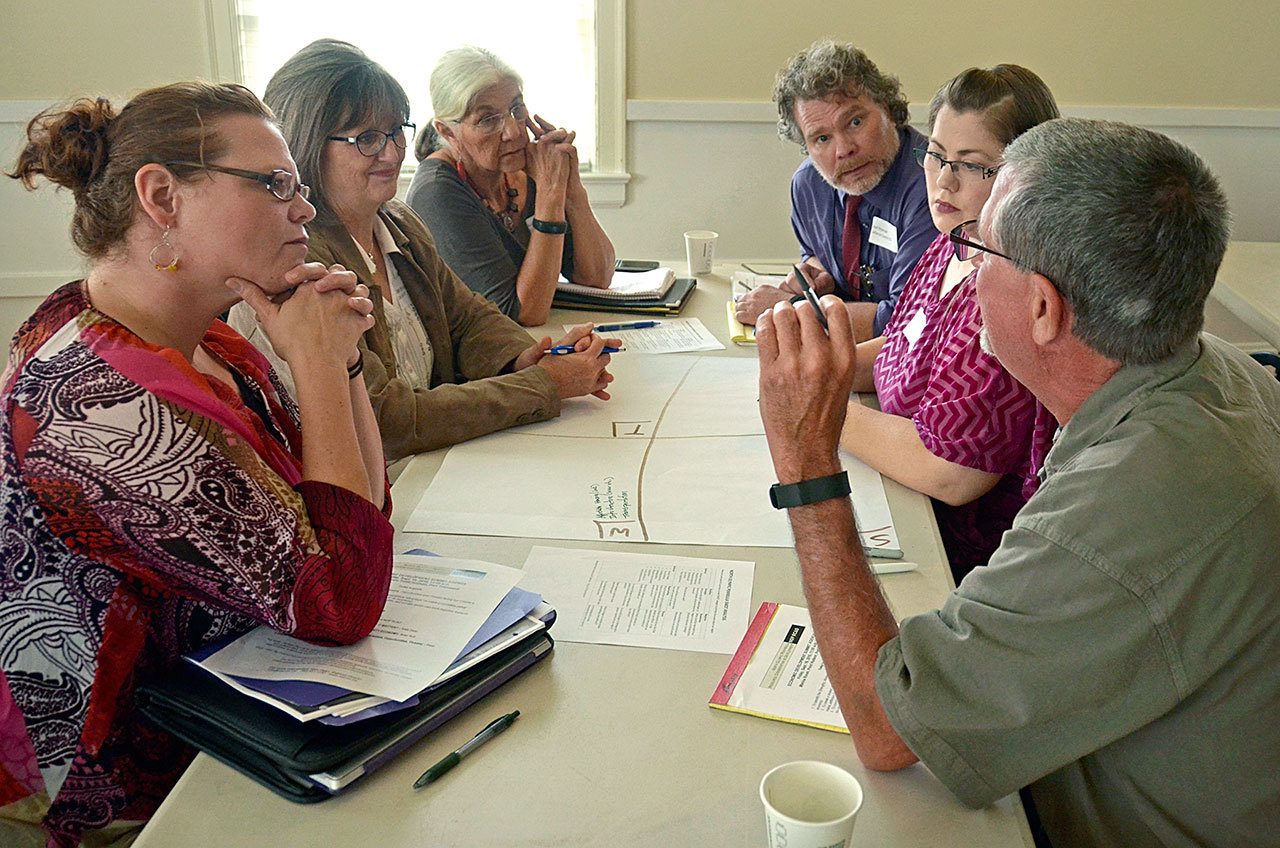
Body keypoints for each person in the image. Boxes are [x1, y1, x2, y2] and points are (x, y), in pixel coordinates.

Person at [756, 117, 1280, 847]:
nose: (961, 267)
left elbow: (886, 730)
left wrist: (807, 463)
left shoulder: (1125, 507)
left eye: (977, 249)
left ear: (1043, 307)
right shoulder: (1217, 367)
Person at [1, 82, 394, 846]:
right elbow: (341, 602)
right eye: (275, 185)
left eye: (300, 188)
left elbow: (361, 517)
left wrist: (339, 362)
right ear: (162, 197)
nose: (304, 209)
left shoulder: (210, 342)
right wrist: (314, 362)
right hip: (120, 794)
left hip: (227, 717)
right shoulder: (96, 402)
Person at [229, 40, 616, 462]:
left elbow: (468, 319)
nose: (393, 152)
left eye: (396, 132)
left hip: (435, 466)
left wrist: (527, 358)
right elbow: (388, 421)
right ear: (306, 144)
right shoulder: (299, 262)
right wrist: (545, 384)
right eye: (368, 139)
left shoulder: (397, 221)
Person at [839, 66, 1060, 580]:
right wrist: (814, 366)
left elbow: (952, 472)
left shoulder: (1013, 284)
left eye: (971, 164)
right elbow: (901, 347)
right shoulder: (952, 243)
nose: (943, 180)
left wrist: (818, 409)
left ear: (1023, 176)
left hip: (966, 561)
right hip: (905, 502)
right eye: (936, 155)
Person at [736, 40, 936, 341]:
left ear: (889, 110)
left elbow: (905, 323)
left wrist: (793, 311)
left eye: (855, 122)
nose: (844, 149)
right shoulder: (809, 186)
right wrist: (818, 275)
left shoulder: (934, 185)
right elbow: (814, 254)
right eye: (822, 138)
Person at [405, 45, 616, 326]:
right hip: (479, 363)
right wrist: (550, 197)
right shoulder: (437, 193)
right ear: (447, 131)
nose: (514, 131)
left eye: (516, 109)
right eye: (488, 120)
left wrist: (572, 189)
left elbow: (596, 278)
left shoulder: (525, 170)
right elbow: (521, 313)